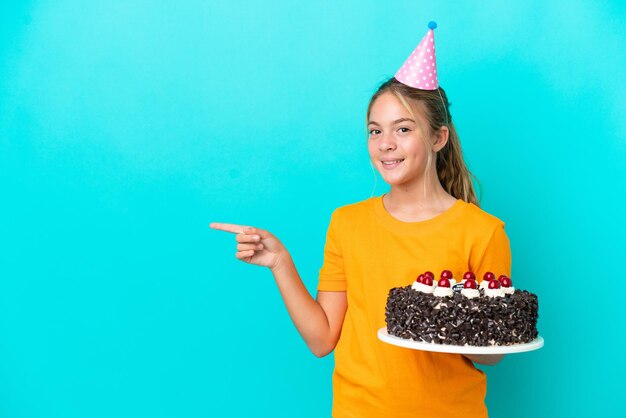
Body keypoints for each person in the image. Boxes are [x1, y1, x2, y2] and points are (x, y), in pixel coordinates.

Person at [211, 22, 510, 418]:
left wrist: (436, 319)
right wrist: (280, 262)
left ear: (438, 138)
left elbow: (493, 357)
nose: (385, 143)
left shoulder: (483, 231)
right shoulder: (347, 224)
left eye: (403, 129)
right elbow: (322, 340)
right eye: (375, 131)